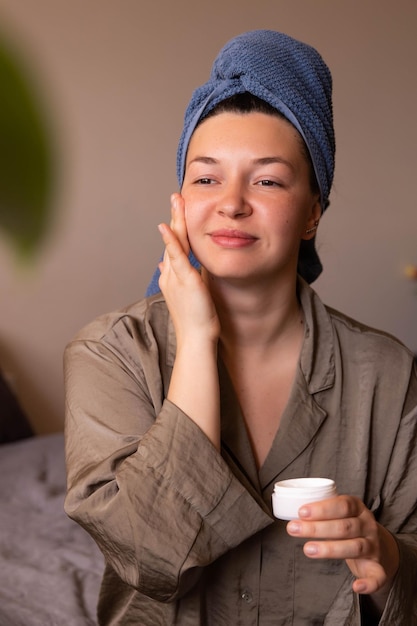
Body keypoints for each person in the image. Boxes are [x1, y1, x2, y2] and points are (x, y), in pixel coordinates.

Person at [64, 30, 417, 625]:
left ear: (312, 212)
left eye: (268, 180)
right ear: (180, 202)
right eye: (206, 178)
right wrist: (198, 342)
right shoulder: (112, 352)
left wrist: (386, 554)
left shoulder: (386, 371)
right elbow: (148, 557)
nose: (231, 203)